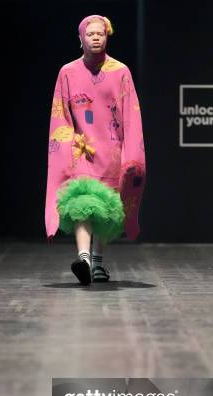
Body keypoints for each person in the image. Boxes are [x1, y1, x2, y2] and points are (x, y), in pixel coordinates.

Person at [45, 14, 146, 285]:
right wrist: (67, 145)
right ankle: (84, 258)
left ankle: (98, 262)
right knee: (81, 203)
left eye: (100, 33)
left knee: (105, 209)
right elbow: (60, 114)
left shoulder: (120, 71)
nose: (96, 37)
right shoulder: (67, 72)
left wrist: (131, 155)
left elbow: (130, 115)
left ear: (107, 35)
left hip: (111, 152)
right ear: (81, 39)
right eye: (90, 34)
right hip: (81, 150)